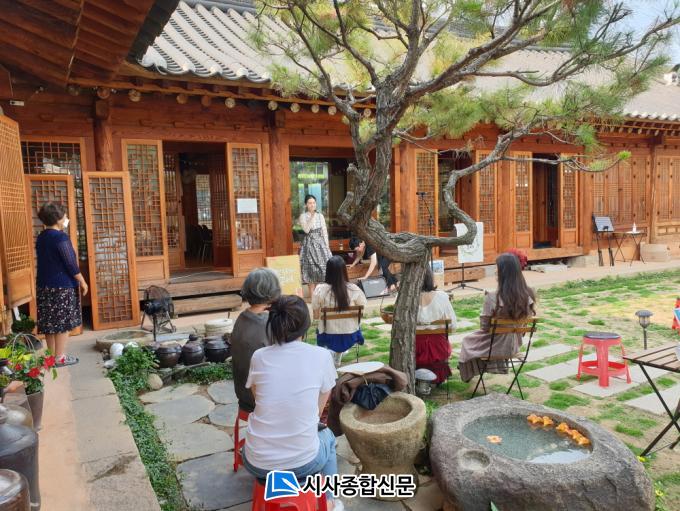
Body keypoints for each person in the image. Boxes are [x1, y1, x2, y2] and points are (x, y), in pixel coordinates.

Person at [243, 295, 342, 510]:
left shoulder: (259, 357)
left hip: (256, 461)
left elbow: (257, 399)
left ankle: (280, 492)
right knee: (327, 436)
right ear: (305, 326)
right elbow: (317, 414)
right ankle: (329, 500)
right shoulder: (321, 356)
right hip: (303, 462)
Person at [458, 252, 536, 383]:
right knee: (473, 341)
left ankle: (470, 372)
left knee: (467, 341)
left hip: (495, 346)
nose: (495, 271)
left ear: (502, 273)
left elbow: (484, 327)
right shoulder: (528, 295)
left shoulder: (492, 297)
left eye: (497, 268)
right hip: (514, 345)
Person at [35, 202, 88, 367]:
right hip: (61, 286)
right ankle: (60, 358)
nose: (66, 218)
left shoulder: (42, 237)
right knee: (63, 323)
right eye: (64, 216)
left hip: (44, 285)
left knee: (50, 323)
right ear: (58, 219)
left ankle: (51, 358)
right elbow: (70, 264)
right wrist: (83, 281)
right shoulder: (60, 237)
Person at [230, 268, 281, 413]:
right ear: (273, 291)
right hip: (262, 400)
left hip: (243, 394)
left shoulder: (241, 318)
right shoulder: (269, 323)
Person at [312, 256, 367, 367]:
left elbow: (316, 316)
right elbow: (362, 311)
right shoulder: (354, 289)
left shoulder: (320, 290)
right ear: (344, 271)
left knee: (323, 326)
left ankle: (334, 353)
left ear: (328, 271)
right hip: (350, 335)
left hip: (327, 335)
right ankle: (338, 353)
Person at [416, 268, 457, 384]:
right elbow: (453, 325)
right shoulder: (442, 296)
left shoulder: (406, 298)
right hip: (439, 348)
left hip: (415, 348)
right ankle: (437, 378)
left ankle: (417, 378)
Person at [298, 194, 332, 296]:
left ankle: (318, 295)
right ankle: (312, 296)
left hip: (320, 245)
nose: (312, 205)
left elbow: (324, 231)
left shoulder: (320, 216)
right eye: (310, 203)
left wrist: (327, 246)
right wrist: (312, 217)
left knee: (321, 269)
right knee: (310, 270)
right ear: (306, 205)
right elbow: (306, 230)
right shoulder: (303, 216)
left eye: (313, 203)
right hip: (309, 245)